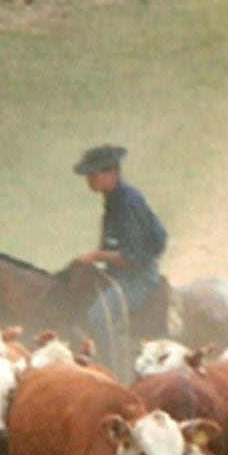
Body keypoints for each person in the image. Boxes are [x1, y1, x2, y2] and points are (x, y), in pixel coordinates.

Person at [72, 144, 166, 369]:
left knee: (98, 317)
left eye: (94, 175)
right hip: (119, 274)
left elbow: (133, 256)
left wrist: (94, 256)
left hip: (137, 277)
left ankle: (115, 370)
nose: (90, 181)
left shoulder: (127, 203)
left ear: (112, 174)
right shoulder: (114, 199)